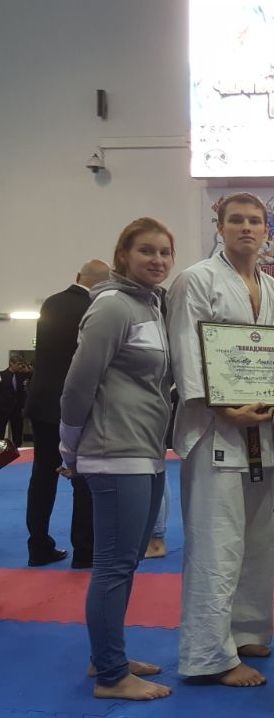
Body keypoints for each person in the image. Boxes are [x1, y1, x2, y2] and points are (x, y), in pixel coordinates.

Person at [167, 192, 274, 687]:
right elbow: (186, 350)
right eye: (235, 220)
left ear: (266, 230)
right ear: (219, 227)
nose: (246, 228)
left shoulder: (272, 285)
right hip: (215, 428)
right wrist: (223, 407)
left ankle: (247, 629)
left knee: (260, 539)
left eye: (255, 221)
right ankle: (208, 655)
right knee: (216, 543)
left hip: (261, 428)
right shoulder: (196, 279)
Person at [59, 218, 175, 700]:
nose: (158, 260)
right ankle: (110, 676)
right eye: (146, 250)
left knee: (125, 565)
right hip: (113, 454)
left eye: (165, 252)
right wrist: (69, 447)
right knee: (113, 566)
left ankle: (107, 655)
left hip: (146, 452)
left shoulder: (151, 305)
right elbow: (77, 385)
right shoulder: (111, 306)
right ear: (123, 255)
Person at [25, 259, 111, 568]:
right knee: (82, 478)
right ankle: (84, 551)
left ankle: (38, 547)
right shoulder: (97, 308)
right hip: (75, 404)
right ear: (105, 284)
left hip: (41, 403)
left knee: (42, 476)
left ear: (77, 276)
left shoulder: (51, 303)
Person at [0, 358, 28, 446]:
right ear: (11, 363)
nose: (19, 366)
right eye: (18, 364)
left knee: (17, 433)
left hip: (17, 409)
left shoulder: (21, 376)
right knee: (1, 430)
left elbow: (23, 392)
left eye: (21, 364)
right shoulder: (2, 375)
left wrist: (26, 370)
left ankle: (18, 449)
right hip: (3, 408)